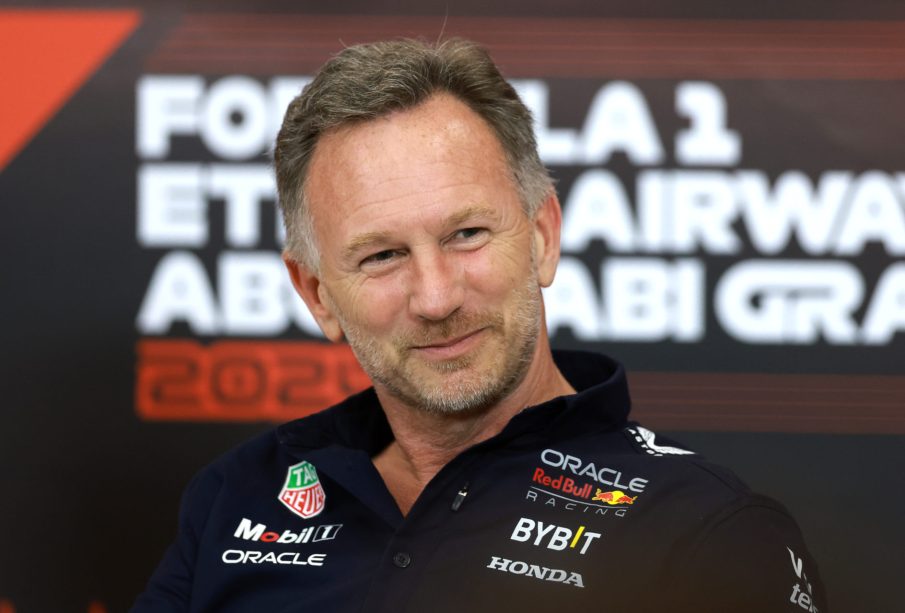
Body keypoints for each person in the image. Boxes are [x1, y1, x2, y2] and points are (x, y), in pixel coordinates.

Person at [132, 38, 826, 612]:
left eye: (466, 234)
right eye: (381, 256)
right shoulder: (240, 494)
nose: (436, 298)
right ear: (317, 294)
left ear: (542, 236)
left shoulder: (702, 530)